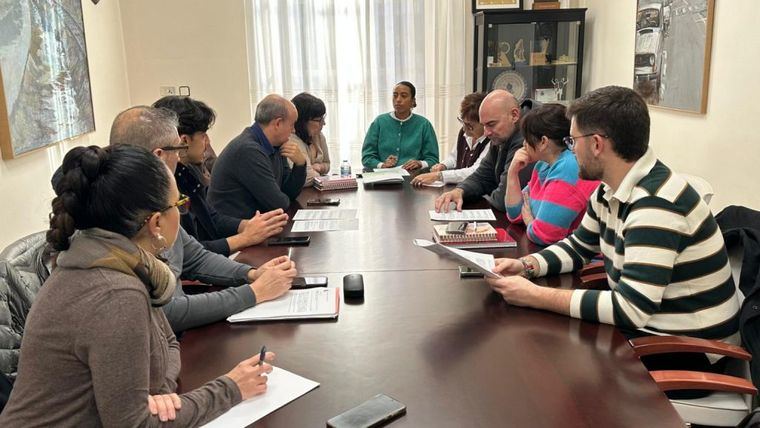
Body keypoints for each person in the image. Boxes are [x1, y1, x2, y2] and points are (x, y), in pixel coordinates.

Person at [484, 86, 740, 393]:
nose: (570, 151)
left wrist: (535, 295)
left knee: (545, 370)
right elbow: (578, 247)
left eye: (572, 141)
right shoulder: (611, 189)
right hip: (652, 330)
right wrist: (527, 265)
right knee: (539, 354)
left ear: (596, 144)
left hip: (689, 352)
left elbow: (631, 308)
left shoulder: (656, 205)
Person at [0, 144, 276, 426]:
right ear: (156, 223)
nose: (181, 212)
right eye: (179, 204)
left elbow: (169, 342)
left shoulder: (120, 263)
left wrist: (157, 393)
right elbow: (136, 424)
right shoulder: (115, 293)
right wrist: (230, 388)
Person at [106, 106, 297, 333]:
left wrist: (251, 274)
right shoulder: (121, 215)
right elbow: (166, 313)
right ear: (158, 156)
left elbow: (195, 257)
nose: (180, 156)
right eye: (178, 148)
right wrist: (254, 292)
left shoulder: (157, 197)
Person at [153, 96, 288, 256]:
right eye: (203, 135)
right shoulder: (162, 191)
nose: (208, 142)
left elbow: (211, 218)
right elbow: (188, 256)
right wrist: (245, 238)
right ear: (184, 141)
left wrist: (250, 226)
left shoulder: (187, 173)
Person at [504, 103, 600, 245]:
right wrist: (512, 173)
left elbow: (544, 235)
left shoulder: (568, 167)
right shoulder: (542, 165)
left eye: (527, 139)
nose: (523, 144)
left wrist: (529, 220)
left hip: (581, 256)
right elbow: (516, 214)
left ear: (543, 142)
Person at [434, 90, 536, 213]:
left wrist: (485, 196)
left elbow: (504, 200)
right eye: (484, 125)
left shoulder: (530, 138)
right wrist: (460, 190)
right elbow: (483, 175)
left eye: (491, 124)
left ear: (514, 115)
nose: (486, 133)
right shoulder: (502, 134)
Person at [208, 94, 306, 218]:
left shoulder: (276, 145)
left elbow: (288, 192)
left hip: (257, 222)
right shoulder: (248, 150)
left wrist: (300, 165)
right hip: (234, 226)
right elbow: (278, 204)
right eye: (292, 125)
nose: (294, 131)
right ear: (278, 123)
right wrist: (283, 197)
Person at [411, 92, 490, 186]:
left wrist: (439, 175)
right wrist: (443, 165)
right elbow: (454, 158)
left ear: (484, 123)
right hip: (461, 187)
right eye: (463, 122)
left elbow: (475, 171)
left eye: (469, 126)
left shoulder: (491, 141)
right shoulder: (464, 133)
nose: (464, 129)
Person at [361, 81, 439, 171]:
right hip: (383, 175)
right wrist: (382, 165)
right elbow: (367, 157)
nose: (398, 99)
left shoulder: (424, 124)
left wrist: (419, 163)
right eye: (395, 95)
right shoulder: (379, 122)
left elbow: (433, 160)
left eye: (404, 96)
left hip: (414, 176)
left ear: (413, 101)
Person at [288, 92, 331, 186]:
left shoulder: (319, 136)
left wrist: (320, 167)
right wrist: (317, 173)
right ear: (302, 121)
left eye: (323, 118)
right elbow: (307, 178)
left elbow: (327, 164)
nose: (324, 123)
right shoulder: (290, 139)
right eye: (319, 120)